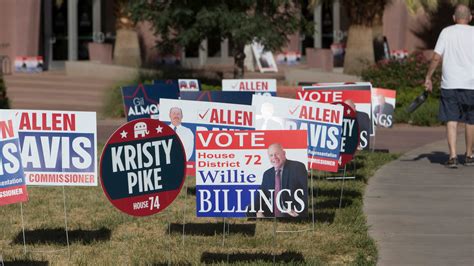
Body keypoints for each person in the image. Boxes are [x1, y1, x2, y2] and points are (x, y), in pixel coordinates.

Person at [424, 4, 474, 168]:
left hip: (450, 83)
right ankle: (468, 155)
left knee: (451, 120)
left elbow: (436, 57)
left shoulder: (446, 32)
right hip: (471, 84)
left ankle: (452, 156)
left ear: (454, 18)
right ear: (470, 17)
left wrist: (428, 77)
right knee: (470, 121)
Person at [255, 143, 308, 218]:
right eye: (271, 155)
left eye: (277, 154)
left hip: (292, 214)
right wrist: (258, 211)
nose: (274, 157)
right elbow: (261, 196)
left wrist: (297, 210)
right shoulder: (267, 174)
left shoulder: (297, 167)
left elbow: (306, 191)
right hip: (273, 215)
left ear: (284, 154)